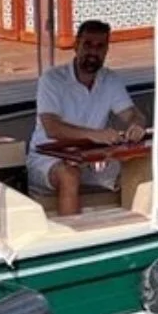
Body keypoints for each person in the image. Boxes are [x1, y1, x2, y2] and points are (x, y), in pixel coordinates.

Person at [27, 19, 145, 215]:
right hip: (47, 159)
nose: (93, 52)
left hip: (91, 160)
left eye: (100, 46)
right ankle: (72, 234)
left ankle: (134, 227)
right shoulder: (52, 79)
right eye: (88, 44)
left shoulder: (110, 79)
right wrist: (95, 135)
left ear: (106, 50)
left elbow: (132, 114)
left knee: (139, 167)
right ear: (76, 46)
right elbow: (52, 128)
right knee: (69, 175)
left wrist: (137, 125)